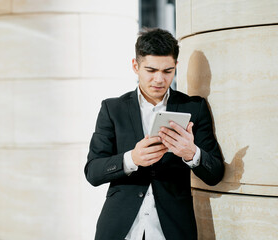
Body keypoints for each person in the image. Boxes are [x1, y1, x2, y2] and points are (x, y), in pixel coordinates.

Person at [84, 28, 224, 240]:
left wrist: (192, 153)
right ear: (135, 66)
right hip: (119, 229)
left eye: (167, 71)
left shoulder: (194, 107)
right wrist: (132, 159)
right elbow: (93, 172)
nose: (159, 79)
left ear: (176, 67)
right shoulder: (113, 109)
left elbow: (215, 174)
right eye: (151, 70)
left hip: (173, 229)